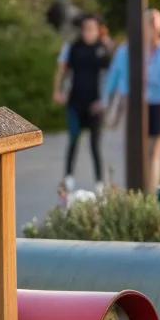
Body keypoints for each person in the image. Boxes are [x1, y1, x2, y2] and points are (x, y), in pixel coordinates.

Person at [105, 8, 160, 193]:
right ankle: (137, 191)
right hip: (134, 104)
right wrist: (106, 102)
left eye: (157, 27)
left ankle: (150, 194)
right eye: (150, 27)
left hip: (159, 104)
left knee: (153, 153)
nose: (154, 32)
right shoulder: (127, 50)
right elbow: (114, 77)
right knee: (137, 150)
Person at [52, 13, 110, 189]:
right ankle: (68, 178)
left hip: (95, 105)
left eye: (92, 29)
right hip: (75, 103)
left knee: (95, 144)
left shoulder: (103, 49)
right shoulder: (73, 48)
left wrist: (104, 101)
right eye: (85, 29)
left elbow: (111, 77)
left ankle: (100, 182)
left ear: (98, 31)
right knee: (74, 139)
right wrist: (58, 91)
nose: (88, 33)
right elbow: (62, 70)